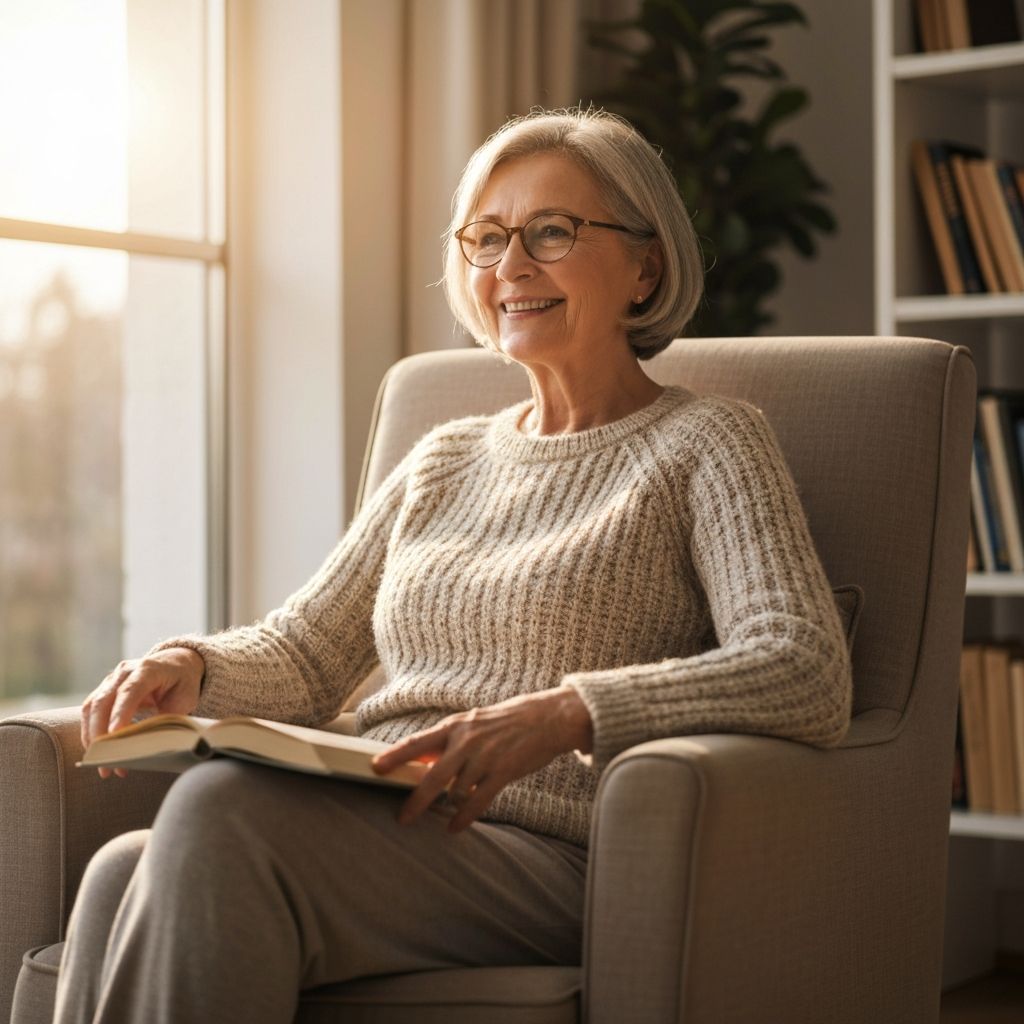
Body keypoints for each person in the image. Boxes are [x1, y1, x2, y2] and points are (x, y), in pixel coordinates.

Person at [53, 107, 852, 1023]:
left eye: (552, 232)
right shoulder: (445, 457)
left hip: (541, 847)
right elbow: (307, 653)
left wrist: (572, 710)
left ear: (646, 264)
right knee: (121, 872)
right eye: (487, 237)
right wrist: (193, 665)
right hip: (383, 812)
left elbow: (804, 666)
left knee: (219, 814)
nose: (510, 265)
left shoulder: (707, 442)